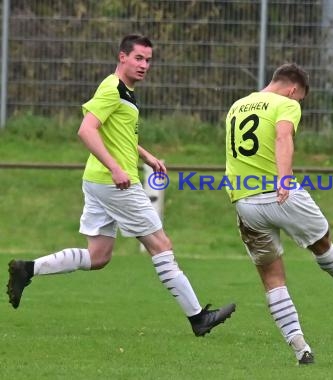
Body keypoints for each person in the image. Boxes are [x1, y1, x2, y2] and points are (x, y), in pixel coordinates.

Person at [6, 34, 236, 337]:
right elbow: (86, 130)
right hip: (116, 184)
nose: (144, 65)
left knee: (98, 256)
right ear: (122, 57)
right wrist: (115, 168)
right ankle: (198, 318)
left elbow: (118, 135)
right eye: (138, 58)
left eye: (148, 60)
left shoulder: (125, 93)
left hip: (98, 181)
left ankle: (28, 269)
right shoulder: (113, 89)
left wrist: (146, 154)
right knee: (161, 245)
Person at [224, 63, 333, 365]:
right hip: (280, 194)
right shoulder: (286, 103)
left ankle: (299, 346)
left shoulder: (237, 105)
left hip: (245, 201)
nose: (298, 102)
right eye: (300, 98)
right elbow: (282, 137)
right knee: (322, 240)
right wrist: (284, 178)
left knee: (272, 277)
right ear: (293, 89)